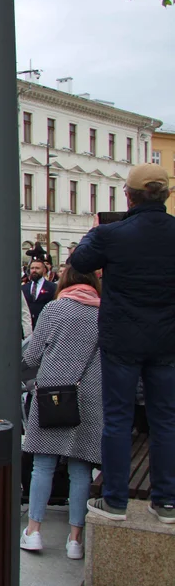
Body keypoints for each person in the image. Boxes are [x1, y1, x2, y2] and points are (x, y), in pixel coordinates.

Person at [72, 163, 175, 523]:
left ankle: (115, 499)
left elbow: (80, 261)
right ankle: (166, 501)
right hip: (167, 341)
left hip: (122, 340)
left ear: (128, 196)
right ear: (165, 195)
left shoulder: (112, 234)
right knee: (166, 421)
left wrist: (97, 231)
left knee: (117, 418)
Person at [19, 267, 103, 556]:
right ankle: (76, 540)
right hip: (91, 395)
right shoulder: (105, 313)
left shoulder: (54, 309)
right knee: (81, 469)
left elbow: (30, 356)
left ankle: (34, 532)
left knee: (43, 466)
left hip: (54, 393)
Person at [22, 259, 57, 328]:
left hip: (46, 325)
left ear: (44, 270)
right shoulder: (23, 288)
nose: (34, 270)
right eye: (32, 268)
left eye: (37, 268)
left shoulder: (53, 287)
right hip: (27, 326)